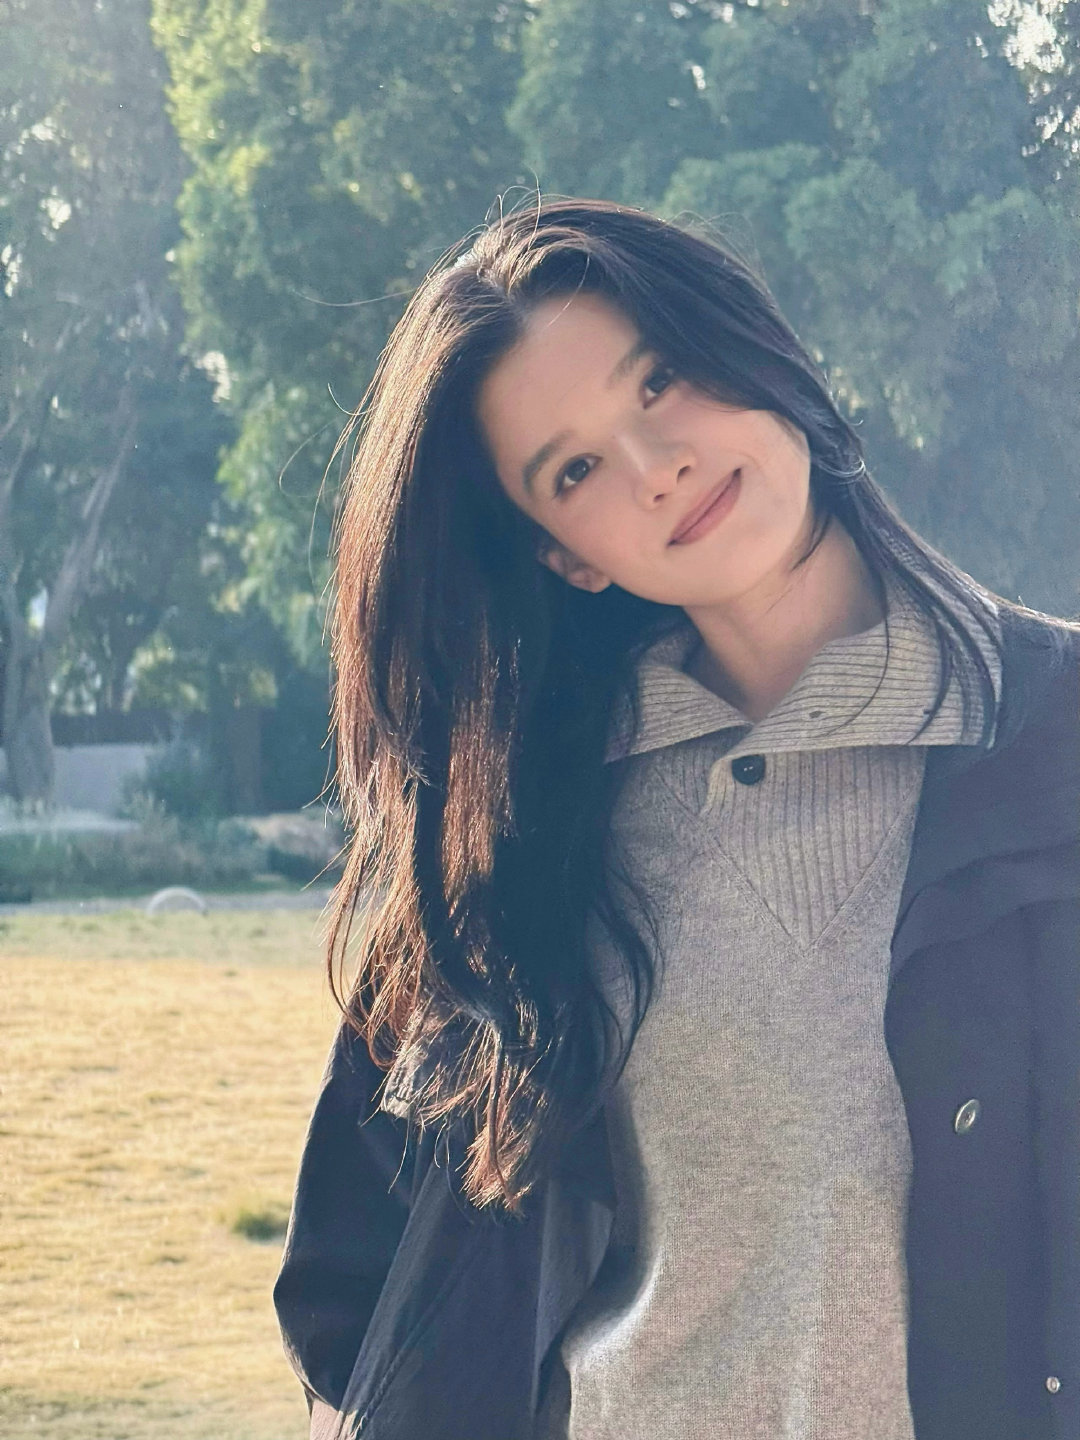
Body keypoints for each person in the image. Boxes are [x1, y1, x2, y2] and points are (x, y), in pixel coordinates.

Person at [272, 198, 1079, 1440]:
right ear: (567, 557)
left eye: (659, 383)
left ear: (756, 352)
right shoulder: (524, 842)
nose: (657, 468)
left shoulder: (1052, 737)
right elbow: (358, 1295)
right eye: (576, 471)